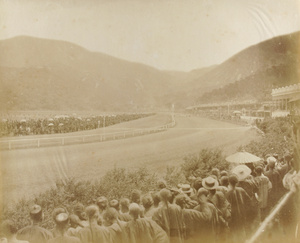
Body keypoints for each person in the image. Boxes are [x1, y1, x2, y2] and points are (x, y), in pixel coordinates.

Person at [226, 174, 251, 242]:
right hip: (242, 214)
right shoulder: (241, 190)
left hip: (233, 216)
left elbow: (227, 207)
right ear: (237, 182)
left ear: (229, 182)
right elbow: (248, 201)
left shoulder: (228, 193)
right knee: (242, 231)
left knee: (235, 233)